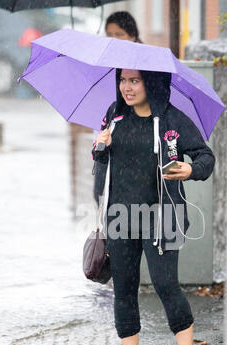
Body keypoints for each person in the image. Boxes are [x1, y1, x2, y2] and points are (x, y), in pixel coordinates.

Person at [91, 68, 216, 345]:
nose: (126, 87)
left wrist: (190, 170)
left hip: (164, 216)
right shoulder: (115, 117)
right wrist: (100, 147)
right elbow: (102, 164)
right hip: (121, 216)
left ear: (152, 82)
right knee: (124, 286)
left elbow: (205, 157)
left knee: (165, 283)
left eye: (134, 80)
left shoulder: (171, 120)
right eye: (123, 80)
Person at [93, 12, 142, 205]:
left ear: (133, 36)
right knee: (101, 192)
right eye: (109, 34)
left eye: (119, 34)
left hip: (133, 143)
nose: (113, 39)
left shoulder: (145, 67)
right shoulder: (102, 63)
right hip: (107, 136)